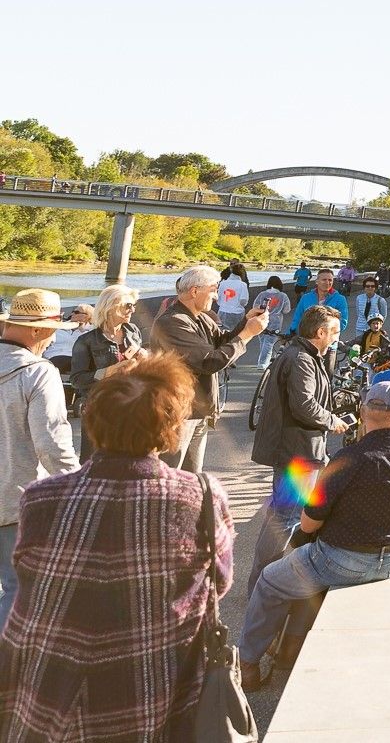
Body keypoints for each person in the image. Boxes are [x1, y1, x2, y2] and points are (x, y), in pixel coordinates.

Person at [0, 353, 235, 739]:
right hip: (155, 672)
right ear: (172, 427)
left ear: (93, 421)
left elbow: (30, 576)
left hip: (51, 677)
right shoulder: (199, 496)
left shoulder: (41, 497)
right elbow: (218, 583)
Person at [238, 381, 390, 690]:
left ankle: (247, 665)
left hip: (341, 560)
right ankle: (289, 650)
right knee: (306, 573)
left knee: (270, 582)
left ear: (365, 413)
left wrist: (306, 537)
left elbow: (310, 520)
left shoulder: (351, 458)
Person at [246, 305, 347, 598]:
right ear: (320, 333)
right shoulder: (302, 359)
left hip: (297, 449)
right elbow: (303, 405)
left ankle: (261, 583)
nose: (337, 339)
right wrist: (333, 420)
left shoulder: (303, 354)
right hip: (298, 453)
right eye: (334, 333)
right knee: (285, 518)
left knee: (281, 515)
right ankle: (261, 587)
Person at [0, 289, 81, 628]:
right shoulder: (37, 373)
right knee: (20, 589)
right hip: (13, 501)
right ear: (34, 329)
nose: (52, 340)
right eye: (52, 331)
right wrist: (77, 485)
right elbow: (52, 444)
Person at [150, 265, 267, 472]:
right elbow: (209, 362)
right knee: (168, 476)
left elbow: (222, 342)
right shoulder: (172, 322)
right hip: (178, 413)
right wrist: (247, 334)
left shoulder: (202, 317)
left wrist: (245, 322)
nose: (216, 297)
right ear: (195, 291)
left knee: (192, 478)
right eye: (213, 290)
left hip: (199, 411)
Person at [71, 286, 146, 462]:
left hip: (132, 405)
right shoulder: (87, 341)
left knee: (129, 460)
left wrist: (144, 357)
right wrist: (108, 372)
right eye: (128, 305)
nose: (132, 310)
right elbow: (77, 380)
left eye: (133, 305)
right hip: (99, 409)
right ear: (111, 305)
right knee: (93, 460)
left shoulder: (133, 331)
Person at [288, 269, 349, 374]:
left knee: (325, 379)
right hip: (307, 344)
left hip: (328, 345)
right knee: (305, 376)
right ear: (317, 281)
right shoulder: (306, 298)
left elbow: (342, 322)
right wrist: (290, 332)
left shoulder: (340, 299)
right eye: (324, 279)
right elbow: (297, 318)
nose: (327, 282)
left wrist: (324, 332)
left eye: (330, 280)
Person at [253, 275, 293, 369]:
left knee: (263, 341)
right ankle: (263, 363)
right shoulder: (283, 296)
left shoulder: (262, 294)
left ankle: (267, 358)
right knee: (269, 342)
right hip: (275, 321)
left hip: (261, 318)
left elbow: (255, 306)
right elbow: (286, 310)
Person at [42, 303, 94, 374]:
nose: (72, 314)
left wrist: (81, 328)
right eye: (72, 312)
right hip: (51, 359)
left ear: (87, 316)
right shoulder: (58, 327)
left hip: (75, 360)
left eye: (76, 312)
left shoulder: (91, 332)